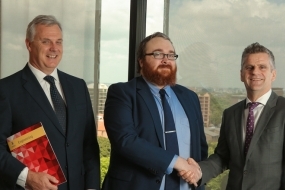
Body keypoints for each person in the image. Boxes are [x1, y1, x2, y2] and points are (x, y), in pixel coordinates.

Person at [0, 15, 100, 190]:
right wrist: (27, 177)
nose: (54, 48)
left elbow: (89, 145)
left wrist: (92, 187)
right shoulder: (6, 89)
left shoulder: (78, 86)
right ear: (29, 44)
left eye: (59, 42)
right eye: (46, 41)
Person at [102, 32, 208, 190]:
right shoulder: (122, 93)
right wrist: (177, 162)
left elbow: (200, 148)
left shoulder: (190, 97)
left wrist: (196, 172)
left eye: (171, 55)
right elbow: (126, 141)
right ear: (141, 61)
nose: (166, 60)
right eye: (158, 54)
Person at [180, 42, 285, 190]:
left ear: (273, 74)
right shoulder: (230, 114)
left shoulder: (283, 110)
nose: (255, 72)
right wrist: (199, 171)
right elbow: (223, 157)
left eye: (262, 67)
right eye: (249, 67)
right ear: (242, 74)